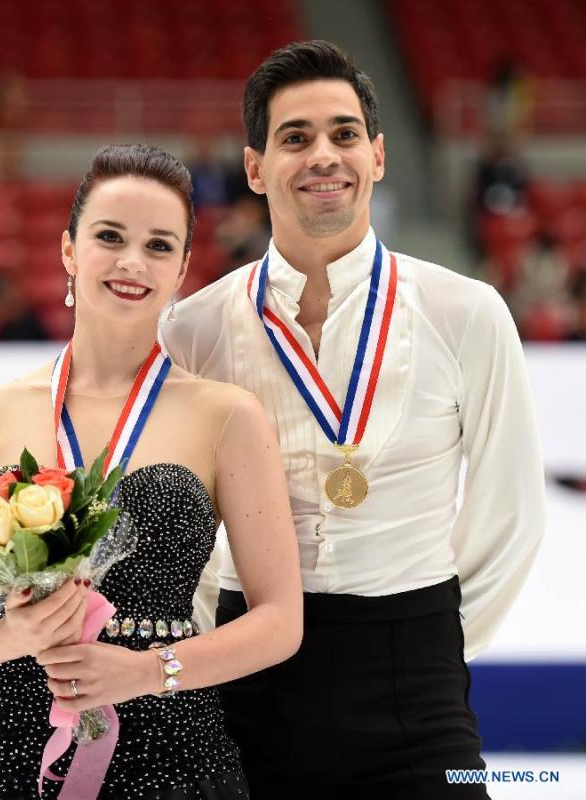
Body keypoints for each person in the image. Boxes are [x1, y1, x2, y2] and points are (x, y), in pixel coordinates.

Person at [162, 41, 545, 799]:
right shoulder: (194, 329)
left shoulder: (464, 313)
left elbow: (511, 515)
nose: (322, 156)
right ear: (253, 167)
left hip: (416, 692)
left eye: (342, 135)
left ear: (376, 156)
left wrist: (431, 642)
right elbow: (184, 527)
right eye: (294, 138)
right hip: (245, 686)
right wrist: (217, 644)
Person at [0, 144, 302, 799]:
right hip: (12, 760)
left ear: (182, 267)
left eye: (158, 246)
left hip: (178, 763)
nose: (131, 262)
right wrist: (14, 633)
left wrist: (149, 672)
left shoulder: (228, 416)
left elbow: (279, 621)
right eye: (109, 237)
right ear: (69, 250)